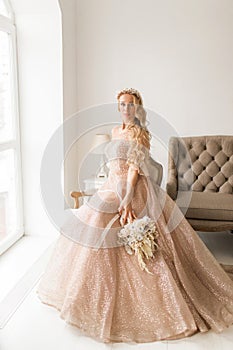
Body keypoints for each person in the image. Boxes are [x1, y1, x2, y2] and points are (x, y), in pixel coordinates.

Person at [36, 87, 233, 344]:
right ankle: (88, 296)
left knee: (138, 234)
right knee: (93, 223)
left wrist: (128, 197)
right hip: (112, 184)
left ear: (137, 108)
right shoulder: (116, 131)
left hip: (133, 188)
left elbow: (134, 168)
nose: (126, 109)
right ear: (118, 107)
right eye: (121, 104)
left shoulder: (140, 134)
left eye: (130, 104)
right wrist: (108, 184)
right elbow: (112, 165)